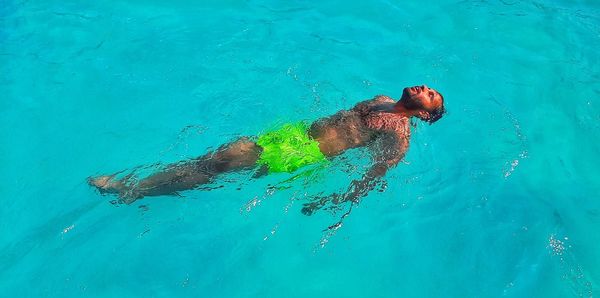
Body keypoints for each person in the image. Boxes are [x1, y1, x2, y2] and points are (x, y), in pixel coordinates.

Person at [89, 85, 445, 215]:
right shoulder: (381, 99)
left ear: (425, 115)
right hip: (291, 134)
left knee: (217, 165)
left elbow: (374, 174)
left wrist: (336, 201)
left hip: (303, 152)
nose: (424, 87)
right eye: (428, 87)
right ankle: (140, 189)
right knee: (212, 162)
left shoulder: (399, 135)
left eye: (430, 95)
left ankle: (135, 189)